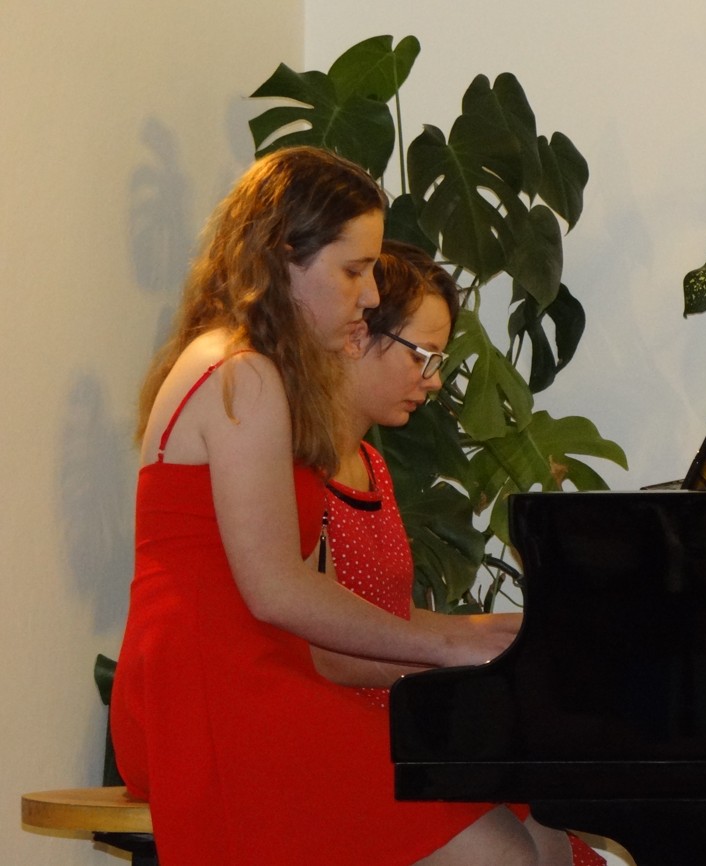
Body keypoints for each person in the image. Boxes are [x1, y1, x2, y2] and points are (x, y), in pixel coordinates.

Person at [111, 147, 566, 865]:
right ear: (284, 254)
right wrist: (451, 643)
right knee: (498, 852)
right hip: (207, 693)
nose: (368, 294)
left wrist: (474, 633)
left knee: (534, 833)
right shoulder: (241, 373)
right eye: (354, 270)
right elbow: (275, 590)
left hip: (241, 676)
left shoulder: (246, 368)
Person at [312, 241, 605, 866]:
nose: (435, 379)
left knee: (555, 843)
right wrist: (463, 656)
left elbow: (387, 618)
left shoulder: (372, 464)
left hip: (396, 712)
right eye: (423, 355)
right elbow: (324, 649)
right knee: (507, 856)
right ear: (357, 336)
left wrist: (502, 633)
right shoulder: (300, 466)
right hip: (331, 718)